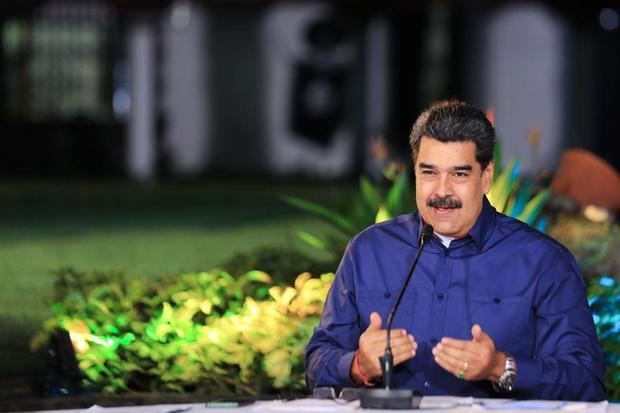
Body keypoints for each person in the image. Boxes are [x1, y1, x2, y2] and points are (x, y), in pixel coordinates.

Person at [305, 101, 607, 401]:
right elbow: (317, 364)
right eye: (429, 173)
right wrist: (357, 366)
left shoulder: (544, 262)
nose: (441, 191)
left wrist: (501, 367)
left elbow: (586, 381)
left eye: (459, 174)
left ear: (486, 177)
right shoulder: (369, 251)